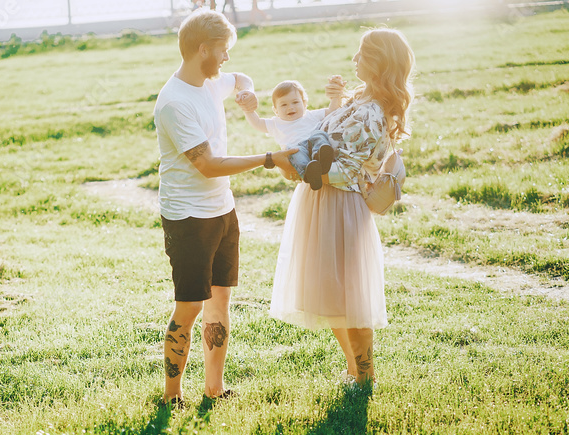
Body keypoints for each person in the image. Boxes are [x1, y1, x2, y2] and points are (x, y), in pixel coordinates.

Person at [249, 28, 415, 390]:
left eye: (361, 54)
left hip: (340, 206)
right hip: (318, 200)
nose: (354, 59)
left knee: (349, 293)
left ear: (378, 62)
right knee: (329, 293)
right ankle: (354, 369)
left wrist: (296, 170)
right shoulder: (357, 98)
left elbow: (351, 170)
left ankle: (365, 374)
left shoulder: (373, 112)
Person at [154, 8, 295, 406]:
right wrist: (270, 158)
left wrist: (245, 93)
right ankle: (171, 396)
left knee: (219, 300)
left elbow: (241, 79)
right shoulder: (174, 103)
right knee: (190, 305)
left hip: (222, 210)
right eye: (222, 51)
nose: (227, 59)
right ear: (203, 50)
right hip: (188, 216)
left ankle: (214, 389)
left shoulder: (212, 82)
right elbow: (209, 165)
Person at [238, 77, 346, 190]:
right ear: (276, 110)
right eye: (284, 105)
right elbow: (257, 123)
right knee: (295, 155)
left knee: (319, 135)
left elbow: (332, 111)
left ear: (304, 104)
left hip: (314, 145)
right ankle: (310, 173)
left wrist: (337, 95)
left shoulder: (311, 115)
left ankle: (322, 157)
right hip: (297, 150)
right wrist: (248, 111)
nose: (290, 107)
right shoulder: (276, 123)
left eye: (295, 102)